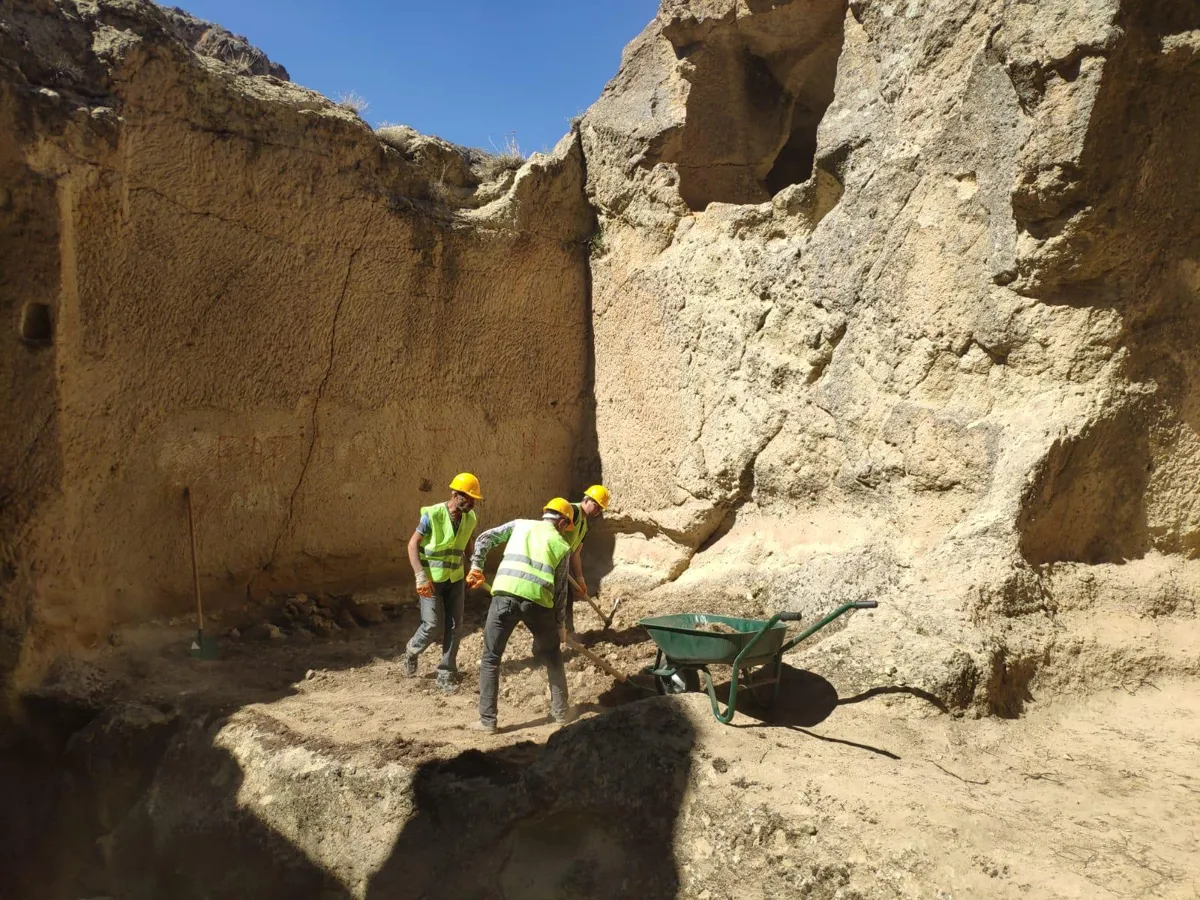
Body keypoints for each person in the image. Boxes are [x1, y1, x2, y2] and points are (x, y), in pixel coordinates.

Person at [466, 498, 575, 734]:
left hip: (504, 597)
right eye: (567, 527)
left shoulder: (520, 525)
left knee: (491, 658)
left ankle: (487, 721)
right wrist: (560, 625)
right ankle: (560, 713)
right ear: (562, 522)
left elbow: (484, 538)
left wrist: (476, 566)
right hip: (537, 603)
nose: (566, 531)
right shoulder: (562, 545)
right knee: (552, 656)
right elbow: (560, 591)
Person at [402, 472, 483, 693]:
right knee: (432, 624)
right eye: (468, 498)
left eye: (474, 499)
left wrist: (474, 567)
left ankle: (446, 672)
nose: (472, 503)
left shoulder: (470, 518)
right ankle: (412, 651)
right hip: (431, 580)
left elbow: (468, 543)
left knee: (455, 626)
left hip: (455, 579)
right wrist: (420, 576)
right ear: (455, 494)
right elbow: (412, 545)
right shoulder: (433, 514)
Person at [564, 484, 611, 632]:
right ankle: (559, 633)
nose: (598, 511)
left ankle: (567, 632)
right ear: (586, 500)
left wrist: (580, 579)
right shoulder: (571, 511)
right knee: (558, 599)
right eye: (596, 506)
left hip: (561, 566)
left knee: (566, 597)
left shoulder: (584, 525)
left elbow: (575, 554)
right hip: (551, 564)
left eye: (601, 509)